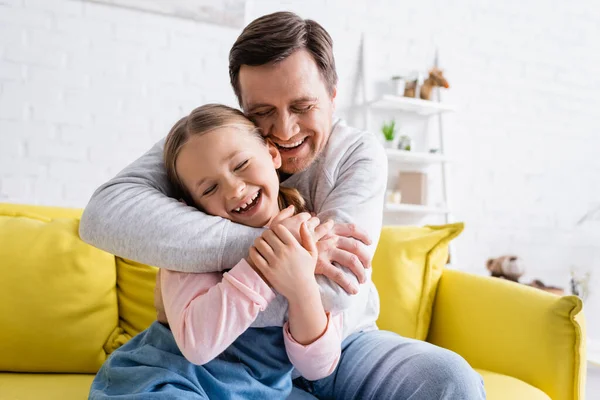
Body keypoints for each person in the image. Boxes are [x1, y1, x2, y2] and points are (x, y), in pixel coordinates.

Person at [81, 11, 486, 399]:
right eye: (262, 112)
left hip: (341, 345)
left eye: (302, 106)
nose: (285, 130)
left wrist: (210, 262)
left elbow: (334, 289)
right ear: (243, 109)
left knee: (448, 380)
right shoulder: (212, 144)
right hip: (233, 356)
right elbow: (103, 217)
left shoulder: (357, 155)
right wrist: (283, 250)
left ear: (332, 95)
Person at [89, 104, 343, 399]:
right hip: (168, 378)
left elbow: (318, 367)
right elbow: (198, 346)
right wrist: (263, 261)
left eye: (241, 165)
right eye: (209, 189)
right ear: (192, 205)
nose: (234, 190)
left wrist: (301, 288)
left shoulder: (310, 235)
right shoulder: (188, 248)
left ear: (272, 154)